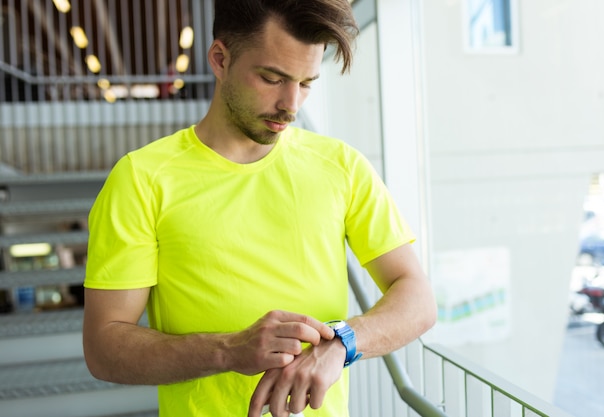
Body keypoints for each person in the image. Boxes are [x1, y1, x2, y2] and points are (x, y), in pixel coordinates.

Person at [82, 1, 437, 416]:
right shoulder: (142, 178)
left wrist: (342, 344)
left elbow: (417, 298)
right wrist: (229, 350)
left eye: (307, 83)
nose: (291, 104)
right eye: (273, 78)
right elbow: (104, 348)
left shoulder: (342, 166)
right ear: (220, 59)